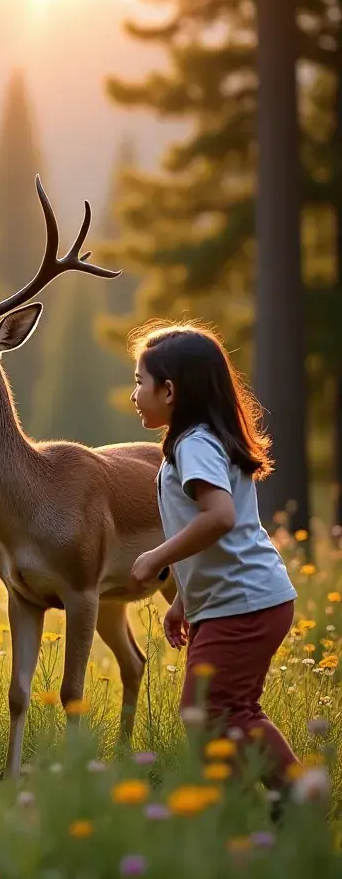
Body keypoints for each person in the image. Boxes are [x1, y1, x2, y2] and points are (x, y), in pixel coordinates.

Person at [127, 322, 299, 798]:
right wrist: (183, 598)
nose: (134, 394)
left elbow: (219, 517)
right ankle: (272, 802)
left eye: (140, 382)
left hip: (243, 603)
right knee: (230, 709)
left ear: (171, 389)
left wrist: (154, 559)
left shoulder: (194, 443)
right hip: (239, 600)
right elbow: (212, 529)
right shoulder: (200, 439)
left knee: (213, 711)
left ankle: (295, 797)